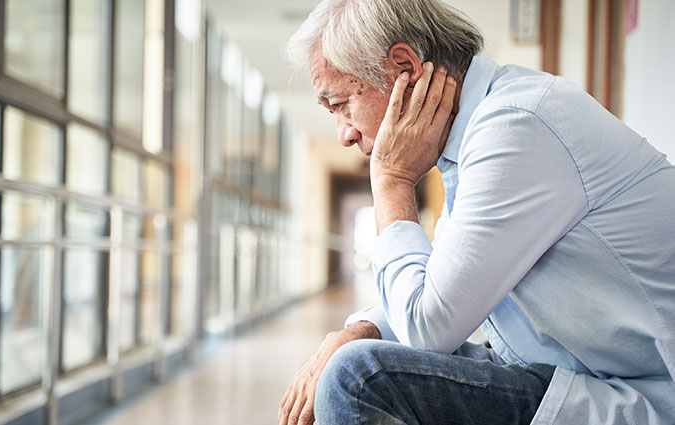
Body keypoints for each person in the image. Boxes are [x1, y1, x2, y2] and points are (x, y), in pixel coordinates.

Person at [277, 0, 675, 424]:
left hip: (643, 398)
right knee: (355, 354)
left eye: (340, 105)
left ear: (404, 70)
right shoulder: (481, 135)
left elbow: (428, 329)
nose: (343, 134)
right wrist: (358, 330)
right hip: (575, 373)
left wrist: (391, 181)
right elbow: (441, 289)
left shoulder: (517, 125)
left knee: (356, 378)